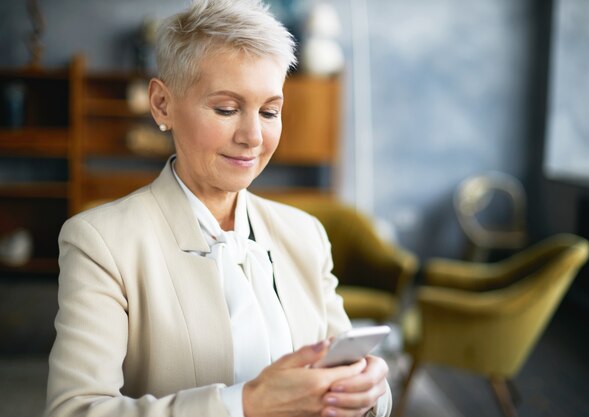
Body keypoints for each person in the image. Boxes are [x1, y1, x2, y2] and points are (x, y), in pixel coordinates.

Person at [44, 1, 392, 416]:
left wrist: (371, 392)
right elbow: (73, 410)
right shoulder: (101, 243)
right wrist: (245, 404)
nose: (253, 137)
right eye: (226, 109)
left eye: (269, 111)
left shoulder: (306, 234)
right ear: (161, 104)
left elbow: (350, 375)